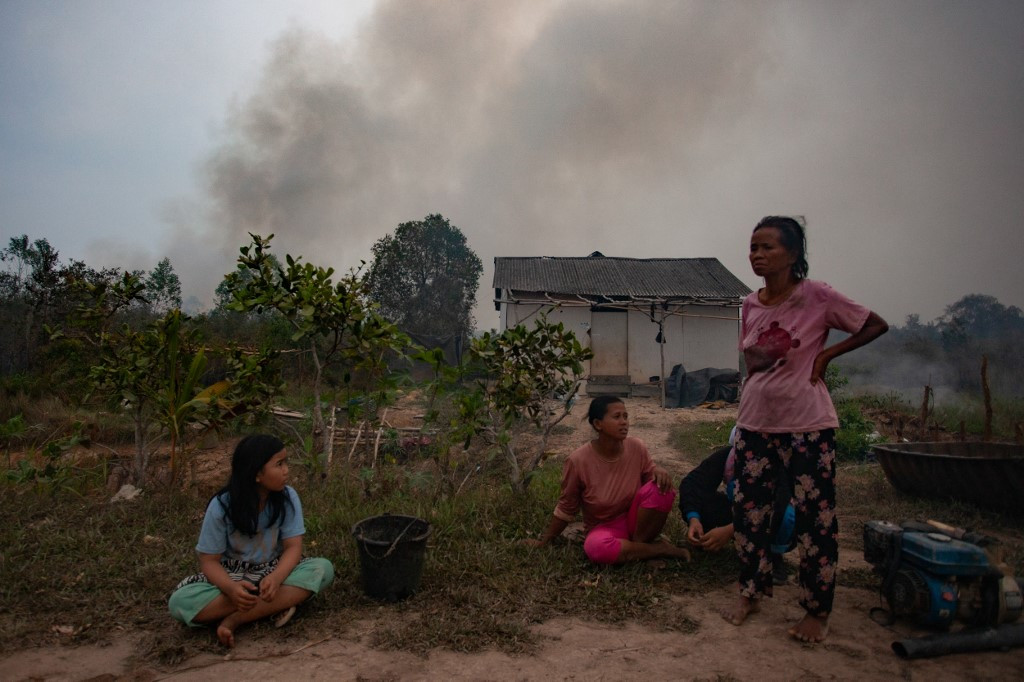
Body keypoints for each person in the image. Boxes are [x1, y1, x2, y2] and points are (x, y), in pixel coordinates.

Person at [724, 216, 888, 643]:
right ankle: (751, 591)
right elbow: (753, 361)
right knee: (749, 514)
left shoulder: (817, 295)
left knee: (816, 520)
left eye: (767, 248)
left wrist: (829, 354)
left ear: (793, 254)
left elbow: (874, 324)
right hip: (755, 423)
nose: (756, 255)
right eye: (753, 247)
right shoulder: (749, 303)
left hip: (808, 427)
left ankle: (817, 611)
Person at [168, 434, 334, 647]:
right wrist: (230, 588)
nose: (286, 471)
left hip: (274, 571)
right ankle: (275, 604)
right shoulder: (222, 506)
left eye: (286, 463)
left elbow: (293, 548)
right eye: (279, 464)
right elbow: (209, 561)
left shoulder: (288, 498)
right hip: (234, 575)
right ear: (256, 473)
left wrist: (275, 578)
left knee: (322, 569)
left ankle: (236, 618)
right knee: (180, 602)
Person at [526, 396, 691, 564]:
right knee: (596, 548)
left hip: (636, 521)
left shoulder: (637, 447)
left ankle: (637, 547)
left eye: (625, 416)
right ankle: (658, 549)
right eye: (617, 417)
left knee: (662, 488)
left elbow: (651, 485)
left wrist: (658, 471)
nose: (624, 422)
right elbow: (567, 507)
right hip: (604, 529)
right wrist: (544, 541)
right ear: (598, 424)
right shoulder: (578, 460)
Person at [679, 429, 795, 583]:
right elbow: (692, 484)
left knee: (787, 515)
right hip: (741, 513)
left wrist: (731, 529)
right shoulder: (729, 458)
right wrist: (694, 518)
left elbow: (777, 507)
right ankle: (709, 538)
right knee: (703, 502)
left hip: (772, 521)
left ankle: (772, 556)